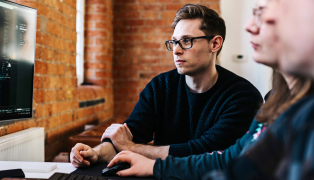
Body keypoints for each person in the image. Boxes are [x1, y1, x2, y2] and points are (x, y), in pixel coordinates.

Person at [106, 0, 314, 179]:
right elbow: (231, 160)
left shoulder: (245, 96)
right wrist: (98, 153)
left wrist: (137, 152)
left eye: (263, 14)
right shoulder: (275, 100)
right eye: (174, 42)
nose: (249, 26)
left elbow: (215, 155)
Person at [70, 4, 263, 167]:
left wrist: (130, 148)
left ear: (215, 44)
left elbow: (203, 152)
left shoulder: (243, 97)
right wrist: (94, 153)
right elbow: (132, 132)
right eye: (174, 42)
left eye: (186, 41)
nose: (176, 50)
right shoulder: (160, 86)